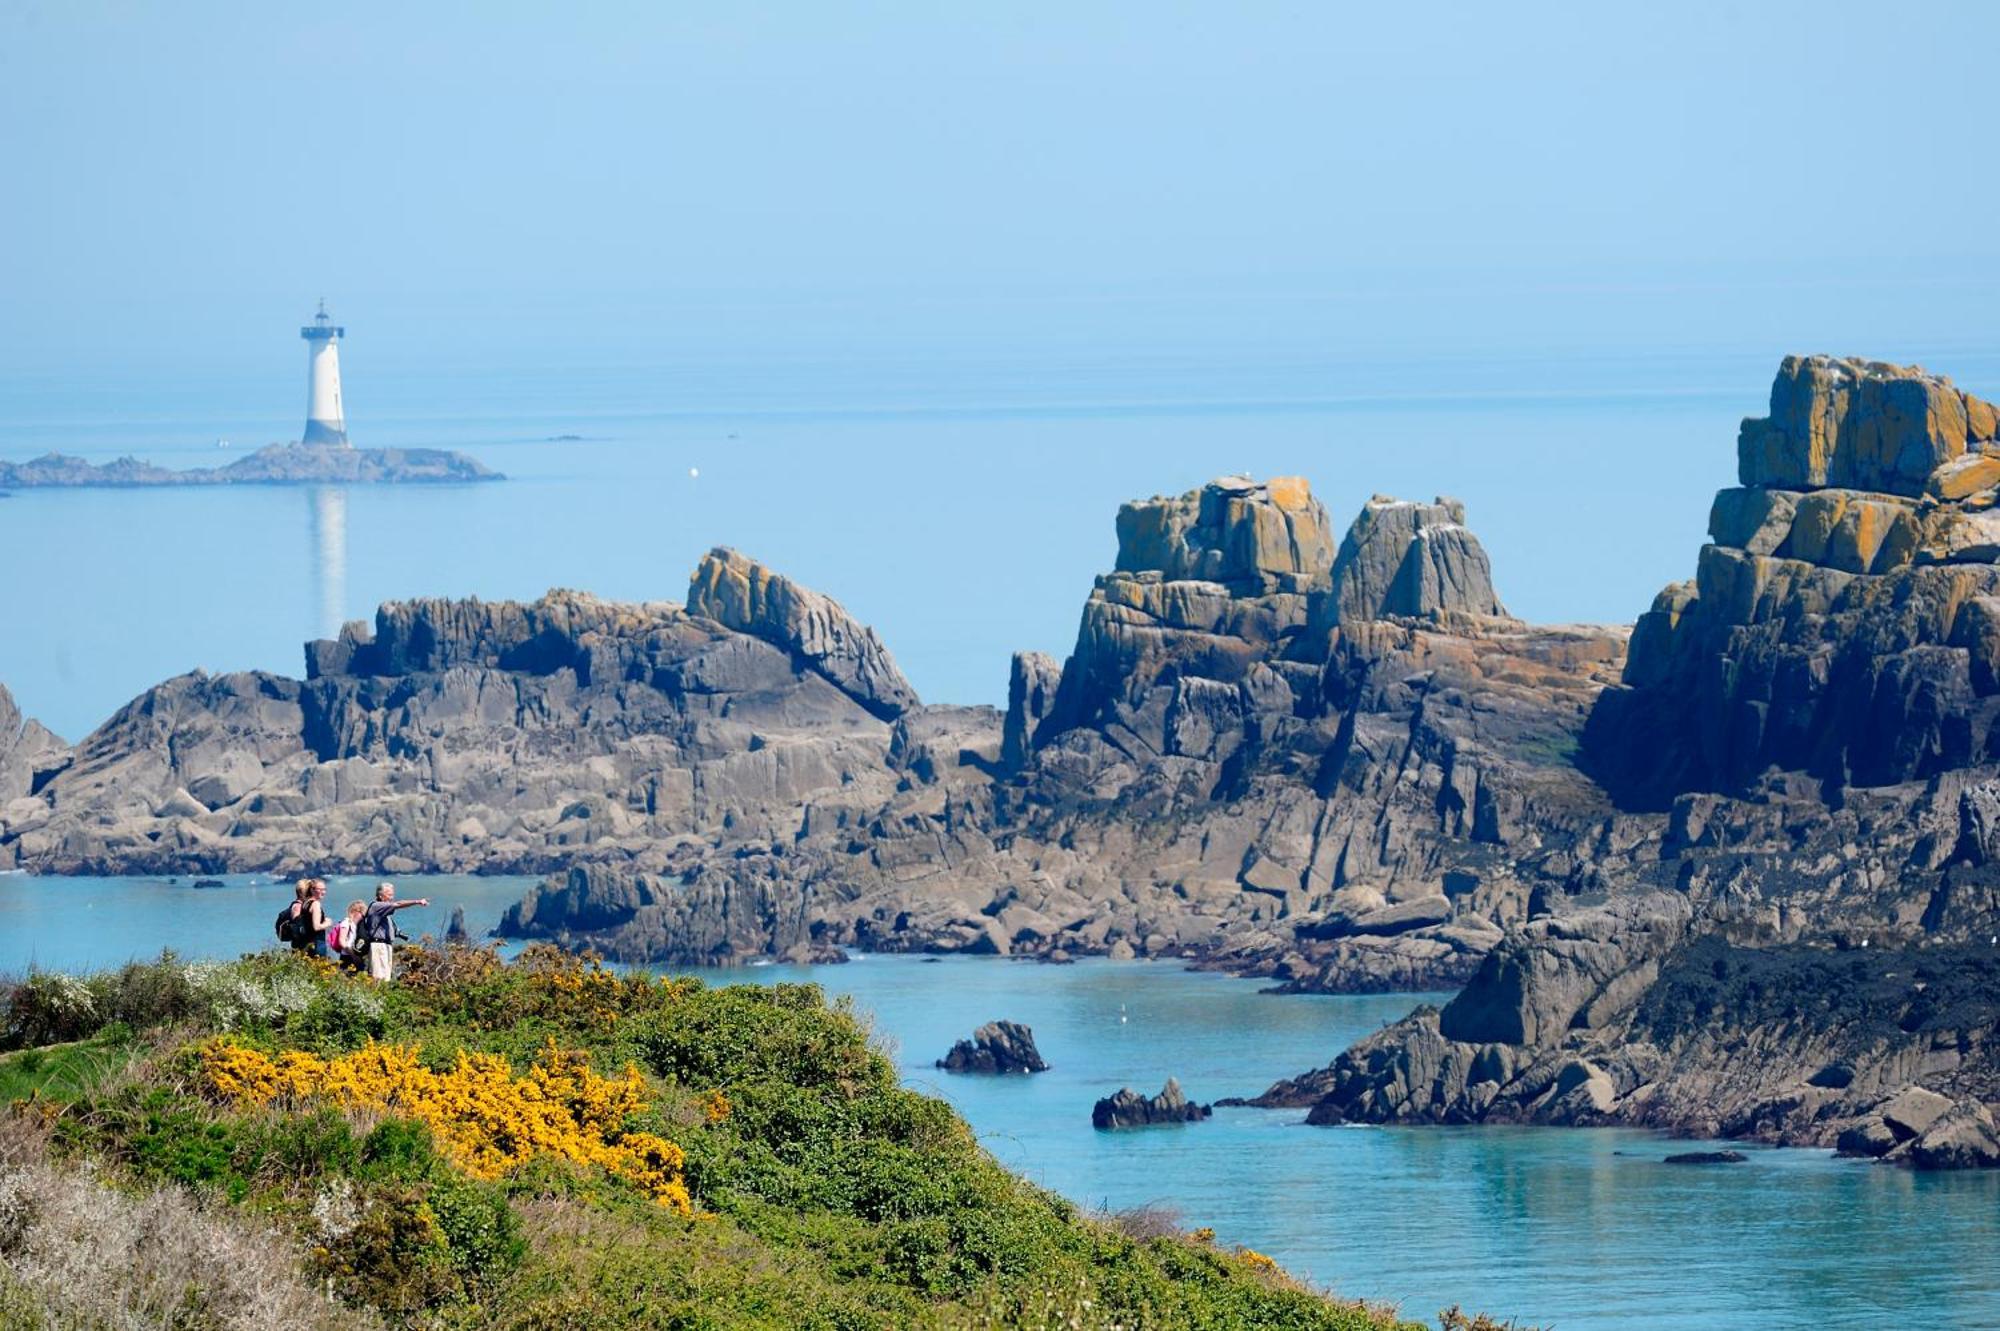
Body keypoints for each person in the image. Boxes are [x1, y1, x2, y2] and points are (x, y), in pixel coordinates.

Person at [360, 881, 430, 982]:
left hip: (385, 946)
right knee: (378, 977)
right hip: (378, 945)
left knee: (386, 978)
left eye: (392, 894)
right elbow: (398, 904)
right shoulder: (377, 906)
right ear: (380, 895)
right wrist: (417, 901)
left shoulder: (384, 911)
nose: (391, 897)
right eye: (389, 895)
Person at [326, 899, 368, 970]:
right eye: (362, 914)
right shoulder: (346, 923)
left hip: (356, 955)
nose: (364, 917)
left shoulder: (358, 925)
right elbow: (342, 942)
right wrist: (353, 955)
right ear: (356, 912)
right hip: (348, 956)